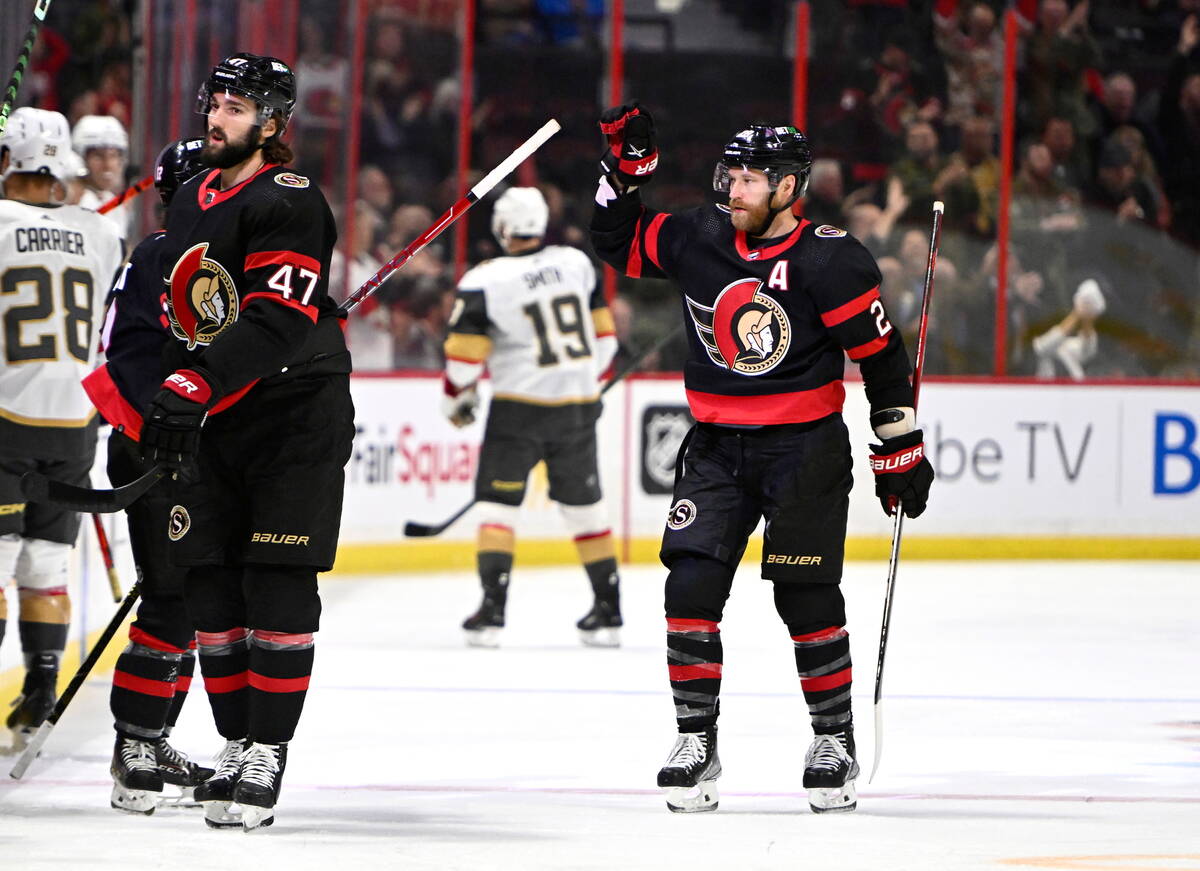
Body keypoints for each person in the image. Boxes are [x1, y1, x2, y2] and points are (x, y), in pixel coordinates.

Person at [590, 107, 934, 814]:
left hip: (803, 449)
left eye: (750, 178)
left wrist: (899, 445)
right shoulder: (698, 235)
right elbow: (615, 242)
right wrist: (622, 174)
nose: (734, 189)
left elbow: (882, 357)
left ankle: (832, 739)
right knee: (688, 587)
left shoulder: (830, 260)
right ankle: (696, 742)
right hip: (716, 447)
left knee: (803, 596)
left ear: (788, 188)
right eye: (732, 174)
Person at [139, 53, 354, 831]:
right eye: (214, 103)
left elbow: (279, 317)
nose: (215, 118)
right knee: (210, 586)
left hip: (295, 409)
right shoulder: (193, 196)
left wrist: (194, 384)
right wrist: (171, 396)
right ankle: (235, 742)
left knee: (276, 577)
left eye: (235, 108)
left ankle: (268, 746)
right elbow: (186, 311)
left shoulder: (289, 199)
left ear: (271, 123)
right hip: (220, 412)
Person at [83, 138, 217, 813]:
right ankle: (132, 745)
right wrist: (165, 428)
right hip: (157, 451)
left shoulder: (237, 259)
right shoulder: (155, 258)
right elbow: (122, 354)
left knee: (200, 604)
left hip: (213, 455)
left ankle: (156, 734)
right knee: (170, 596)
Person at [443, 187, 623, 647]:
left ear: (503, 230)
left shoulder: (486, 279)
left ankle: (492, 614)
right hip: (578, 407)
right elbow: (606, 341)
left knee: (498, 507)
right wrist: (584, 383)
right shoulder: (576, 262)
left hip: (518, 409)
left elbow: (464, 362)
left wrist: (456, 398)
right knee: (585, 509)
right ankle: (608, 612)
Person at [0, 108, 124, 748]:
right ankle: (42, 687)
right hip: (76, 422)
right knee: (46, 561)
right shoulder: (101, 235)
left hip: (6, 420)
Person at [71, 114, 132, 242]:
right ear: (81, 158)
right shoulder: (74, 201)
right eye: (98, 156)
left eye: (113, 156)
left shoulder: (115, 204)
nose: (108, 165)